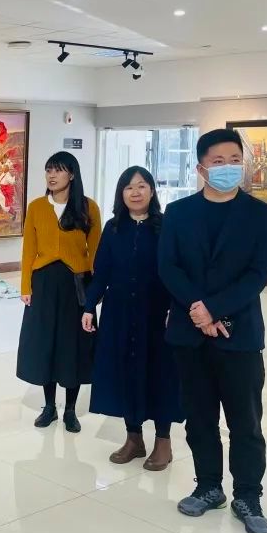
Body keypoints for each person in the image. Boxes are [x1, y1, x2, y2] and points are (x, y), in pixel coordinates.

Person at [159, 128, 267, 533]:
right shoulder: (178, 213)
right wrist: (198, 309)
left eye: (234, 160)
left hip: (239, 334)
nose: (228, 167)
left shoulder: (261, 215)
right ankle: (208, 486)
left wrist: (214, 309)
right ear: (200, 168)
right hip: (189, 334)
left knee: (245, 421)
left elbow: (258, 273)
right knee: (199, 417)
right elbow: (168, 266)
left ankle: (248, 496)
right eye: (218, 161)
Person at [82, 167, 182, 471]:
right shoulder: (113, 228)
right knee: (125, 371)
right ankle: (133, 438)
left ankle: (163, 441)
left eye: (141, 186)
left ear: (152, 190)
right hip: (120, 312)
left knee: (160, 373)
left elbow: (177, 271)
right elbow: (102, 272)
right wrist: (89, 306)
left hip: (158, 313)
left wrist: (177, 308)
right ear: (121, 194)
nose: (135, 192)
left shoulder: (166, 227)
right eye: (128, 187)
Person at [18, 151, 101, 432]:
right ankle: (50, 407)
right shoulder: (36, 207)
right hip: (43, 283)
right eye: (48, 170)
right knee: (46, 344)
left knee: (73, 345)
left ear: (72, 174)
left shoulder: (88, 208)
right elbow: (28, 250)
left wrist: (95, 292)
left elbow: (96, 252)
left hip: (76, 285)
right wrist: (25, 286)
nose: (52, 175)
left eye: (58, 170)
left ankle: (71, 410)